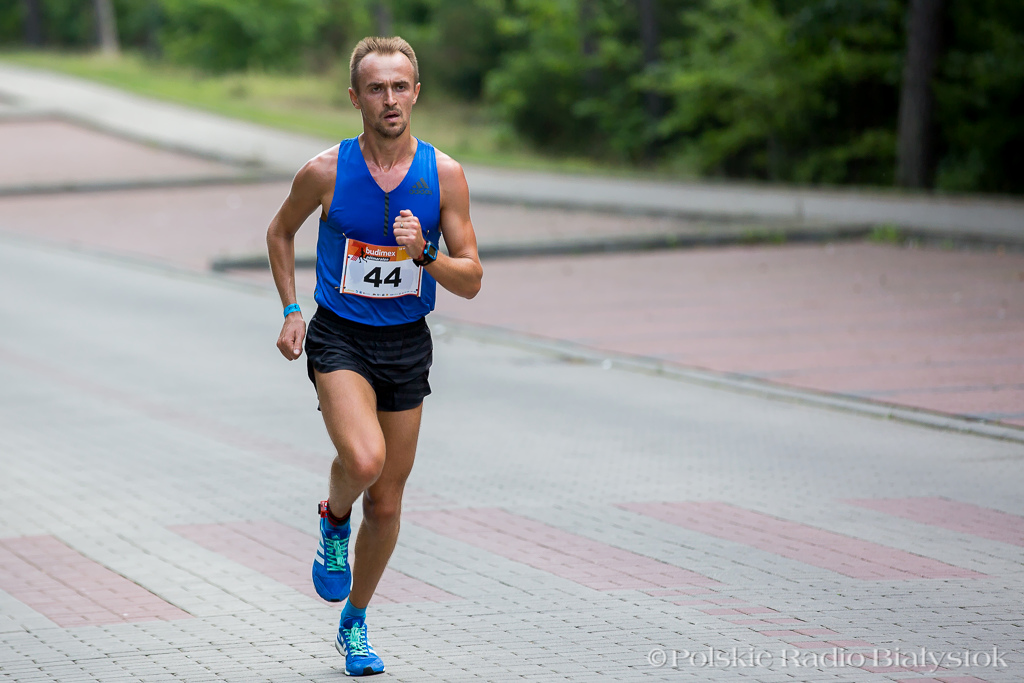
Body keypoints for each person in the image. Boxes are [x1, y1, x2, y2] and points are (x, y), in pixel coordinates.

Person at [265, 36, 482, 676]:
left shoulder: (444, 174)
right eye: (376, 88)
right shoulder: (325, 171)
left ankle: (354, 621)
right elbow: (279, 232)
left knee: (386, 504)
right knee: (364, 459)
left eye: (400, 87)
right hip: (340, 335)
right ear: (355, 97)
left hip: (406, 343)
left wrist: (425, 254)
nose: (390, 99)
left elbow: (471, 278)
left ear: (416, 94)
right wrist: (291, 309)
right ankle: (334, 519)